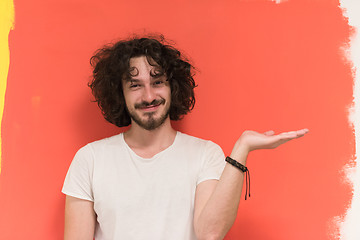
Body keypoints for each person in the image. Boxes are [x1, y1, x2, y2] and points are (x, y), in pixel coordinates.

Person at [62, 35, 308, 240]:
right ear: (120, 93)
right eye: (135, 85)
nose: (149, 96)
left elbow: (209, 233)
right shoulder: (90, 159)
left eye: (157, 82)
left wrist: (242, 148)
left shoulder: (205, 154)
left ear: (173, 88)